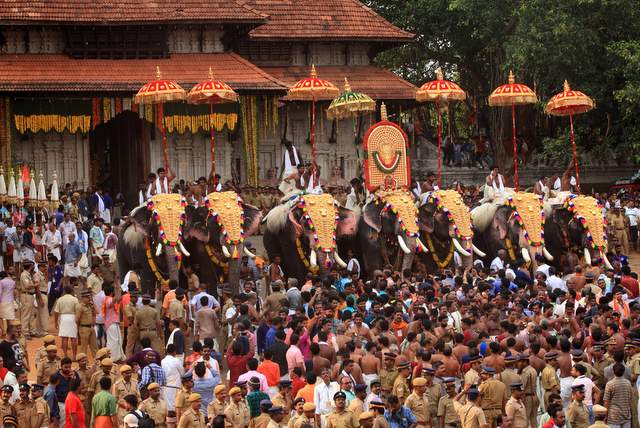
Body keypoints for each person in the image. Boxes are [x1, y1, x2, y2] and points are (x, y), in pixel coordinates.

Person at [53, 284, 80, 358]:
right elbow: (78, 311)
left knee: (64, 338)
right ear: (71, 291)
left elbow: (56, 312)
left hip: (63, 318)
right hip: (72, 317)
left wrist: (55, 322)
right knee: (73, 338)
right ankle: (74, 356)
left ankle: (65, 355)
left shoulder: (60, 299)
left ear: (64, 291)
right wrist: (78, 320)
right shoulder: (75, 299)